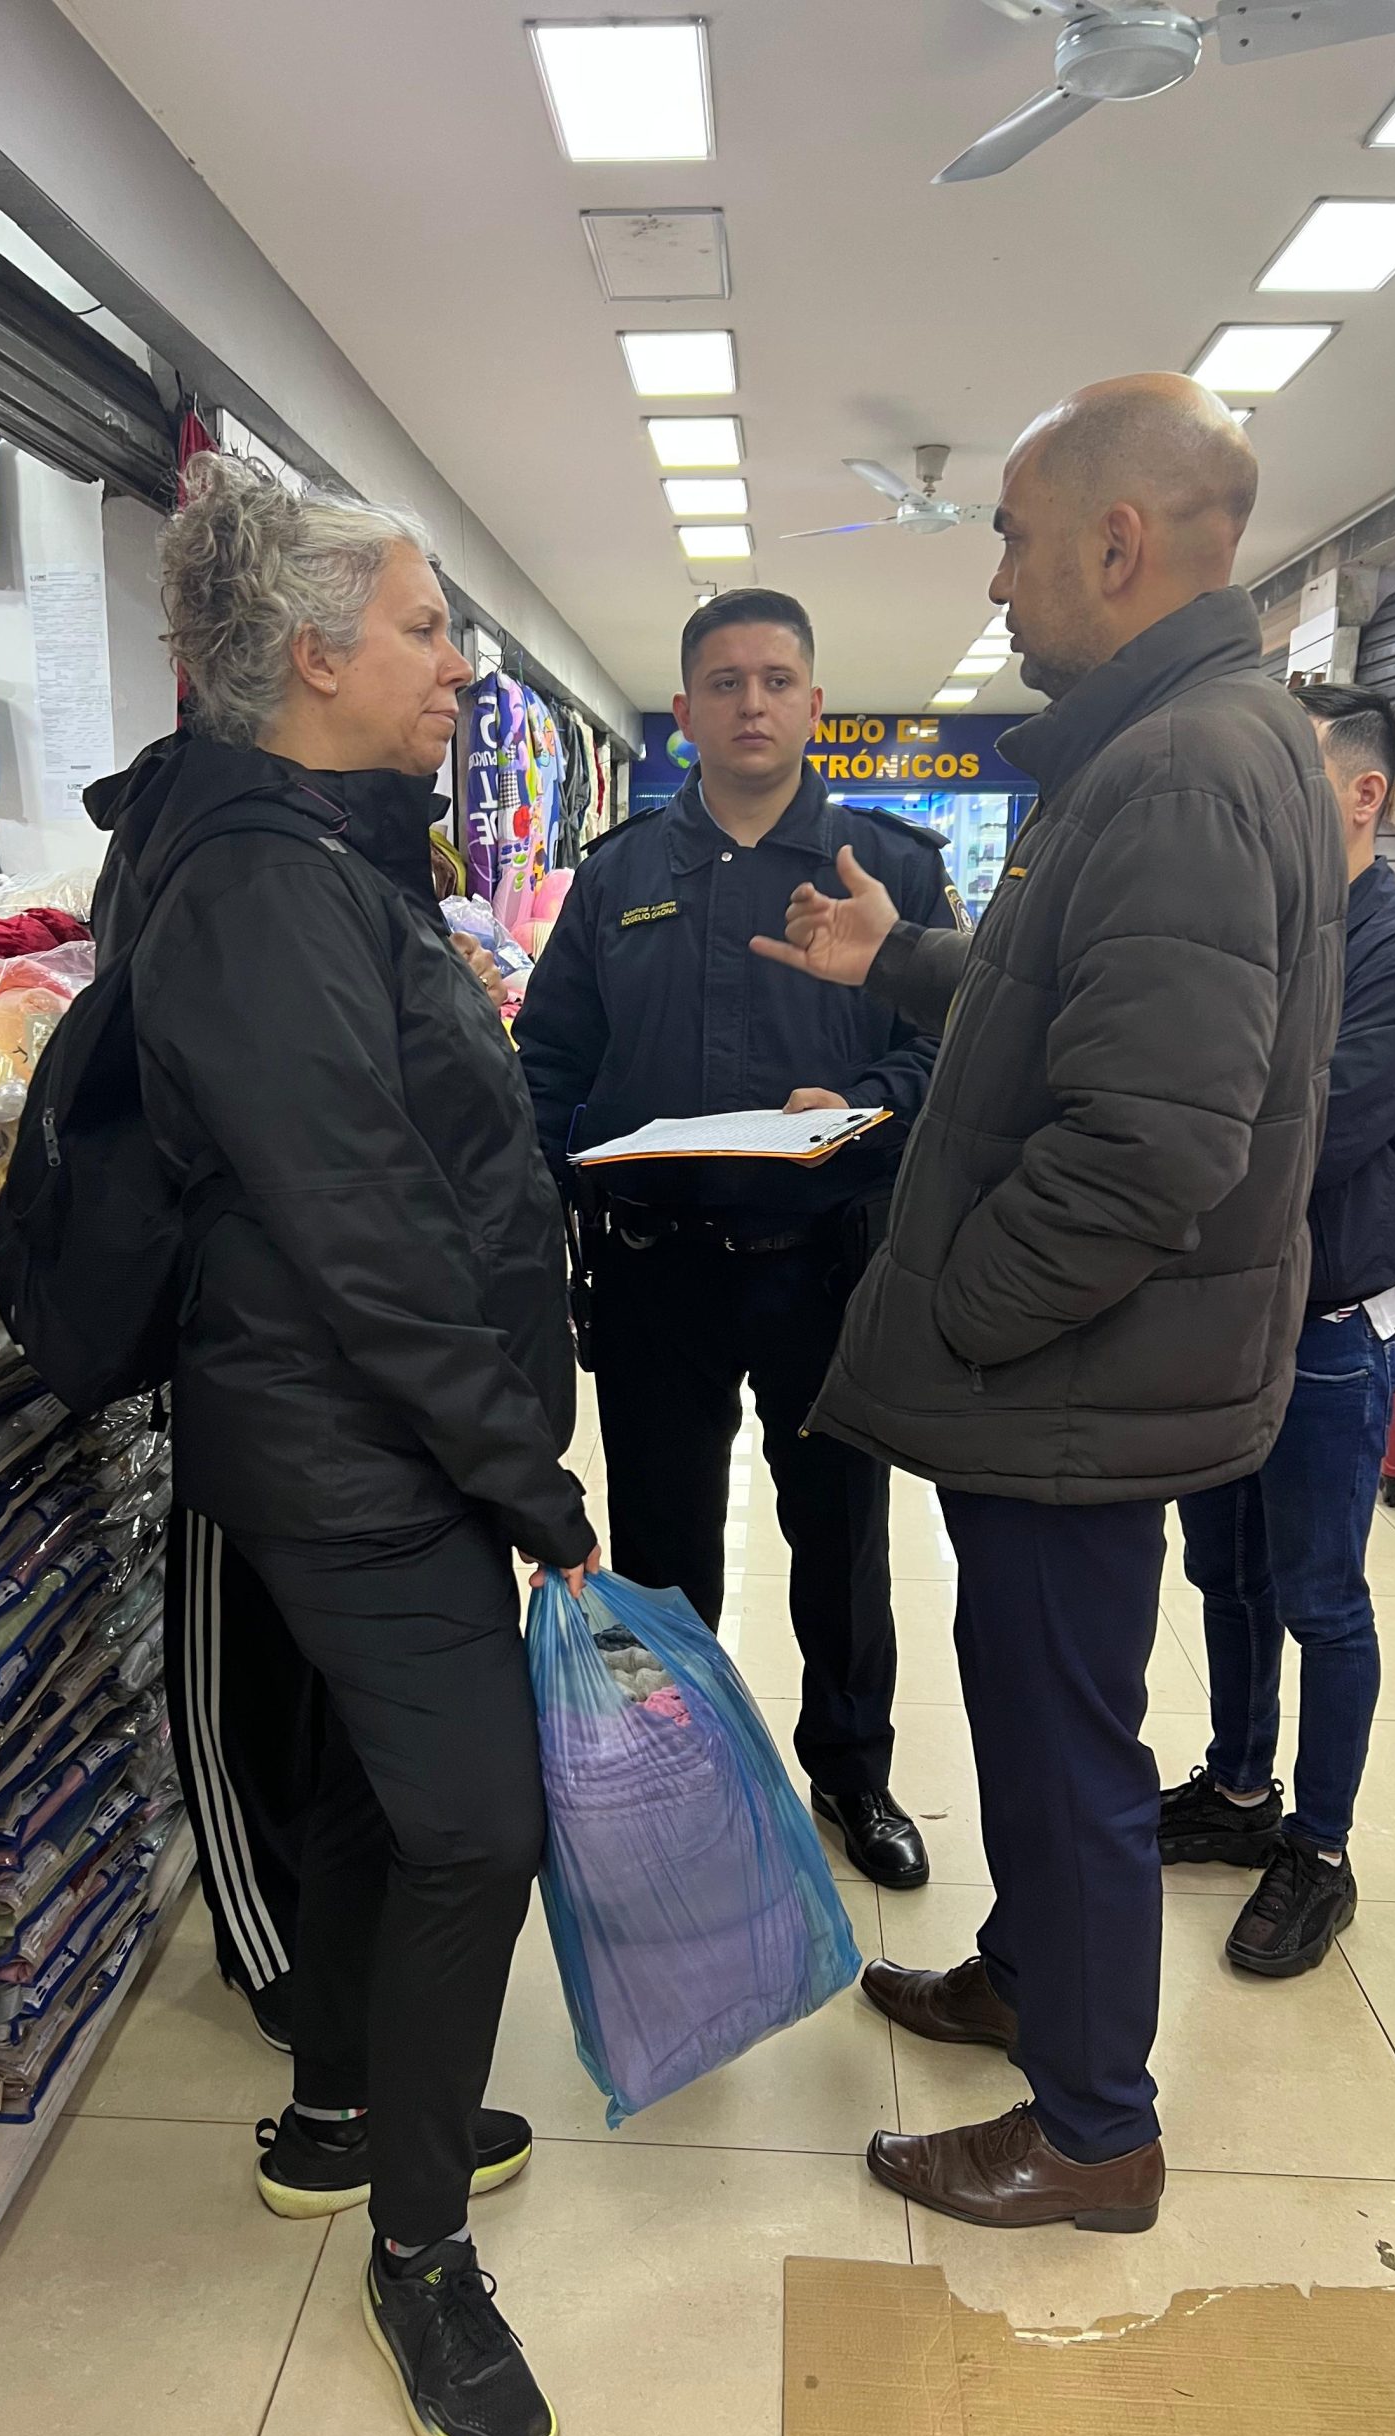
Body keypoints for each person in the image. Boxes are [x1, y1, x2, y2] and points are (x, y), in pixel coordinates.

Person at [752, 375, 1345, 2234]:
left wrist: (963, 1316)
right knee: (1039, 1717)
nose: (995, 582)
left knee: (1068, 1747)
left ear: (1119, 541)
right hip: (1099, 1373)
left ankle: (1096, 2131)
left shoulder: (1178, 764)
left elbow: (1146, 1147)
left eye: (1013, 538)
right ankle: (1030, 1981)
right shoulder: (1191, 742)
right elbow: (1086, 1012)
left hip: (1073, 1378)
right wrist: (912, 958)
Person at [87, 453, 597, 2436]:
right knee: (482, 1823)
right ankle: (418, 2248)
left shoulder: (325, 854)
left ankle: (358, 2115)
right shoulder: (263, 878)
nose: (459, 666)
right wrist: (526, 1472)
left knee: (398, 1808)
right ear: (310, 649)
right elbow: (360, 1220)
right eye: (425, 625)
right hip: (358, 1445)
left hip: (393, 1434)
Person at [515, 590, 959, 1889]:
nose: (751, 703)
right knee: (662, 1550)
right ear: (687, 709)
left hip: (826, 1267)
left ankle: (852, 1775)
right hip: (655, 1271)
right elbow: (548, 1063)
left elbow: (951, 1051)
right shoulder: (617, 877)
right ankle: (677, 1779)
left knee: (842, 1543)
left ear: (816, 704)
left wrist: (867, 1105)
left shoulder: (892, 868)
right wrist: (534, 1203)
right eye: (724, 681)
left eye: (776, 680)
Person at [1161, 685, 1395, 1974]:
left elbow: (1303, 1134)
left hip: (1329, 1333)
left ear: (1361, 796)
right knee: (1223, 1574)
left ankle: (1320, 1850)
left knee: (1321, 1599)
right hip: (1225, 1322)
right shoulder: (1262, 931)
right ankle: (1238, 1791)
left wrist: (1190, 1105)